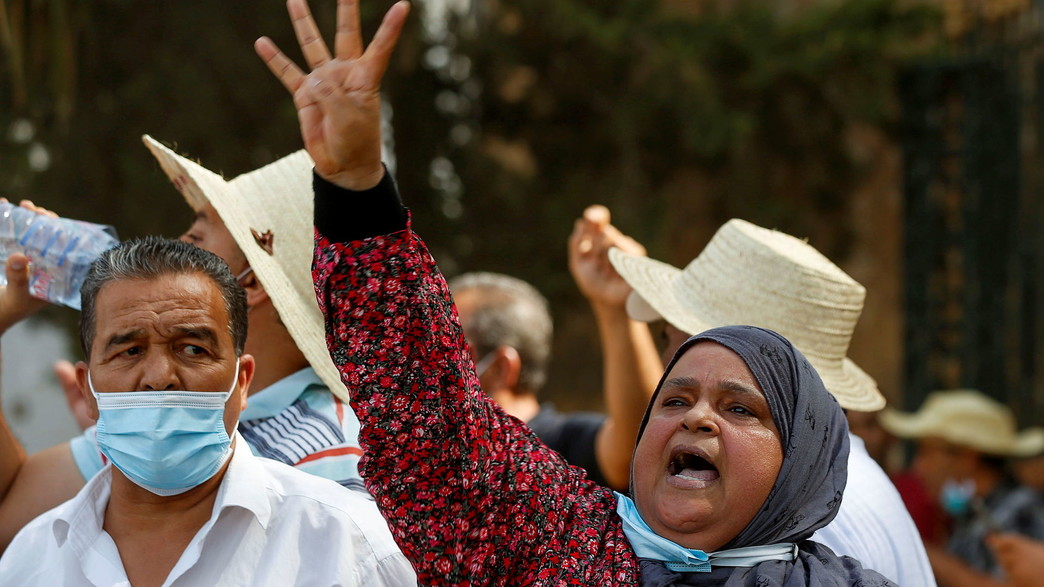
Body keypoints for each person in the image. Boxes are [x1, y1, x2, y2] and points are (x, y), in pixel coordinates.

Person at [258, 0, 896, 583]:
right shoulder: (576, 551)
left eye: (740, 409)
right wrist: (356, 188)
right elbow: (432, 419)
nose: (697, 417)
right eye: (674, 399)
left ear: (801, 462)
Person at [0, 137, 369, 550]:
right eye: (130, 351)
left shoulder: (326, 460)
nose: (158, 375)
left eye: (195, 239)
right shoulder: (157, 418)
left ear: (249, 283)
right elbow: (10, 514)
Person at [0, 237, 416, 585]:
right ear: (87, 389)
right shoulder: (31, 561)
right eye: (130, 351)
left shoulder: (349, 547)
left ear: (242, 381)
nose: (159, 377)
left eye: (193, 349)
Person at [567, 207, 936, 585]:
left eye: (739, 408)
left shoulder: (796, 525)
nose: (666, 363)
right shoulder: (827, 481)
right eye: (679, 399)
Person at [449, 262, 659, 490]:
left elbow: (639, 449)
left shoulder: (563, 448)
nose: (426, 363)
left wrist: (616, 308)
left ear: (500, 369)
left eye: (442, 348)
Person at [881, 389, 1044, 585]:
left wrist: (918, 549)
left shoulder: (1022, 511)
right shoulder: (975, 510)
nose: (918, 467)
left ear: (967, 457)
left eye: (926, 452)